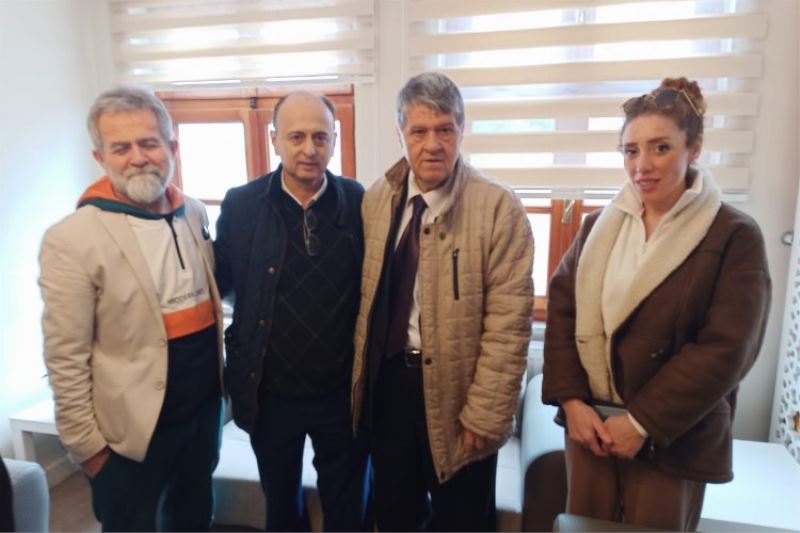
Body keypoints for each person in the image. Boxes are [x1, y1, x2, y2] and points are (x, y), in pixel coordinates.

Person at [541, 77, 771, 531]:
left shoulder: (734, 236)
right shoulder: (596, 229)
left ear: (694, 148)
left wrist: (641, 423)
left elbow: (728, 347)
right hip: (591, 430)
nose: (642, 165)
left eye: (660, 148)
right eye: (631, 151)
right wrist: (572, 402)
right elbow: (562, 314)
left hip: (672, 435)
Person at [351, 72, 534, 532]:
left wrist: (486, 415)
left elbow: (509, 325)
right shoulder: (376, 200)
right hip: (390, 392)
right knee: (394, 517)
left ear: (462, 131)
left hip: (461, 397)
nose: (432, 144)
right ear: (400, 135)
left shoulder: (499, 208)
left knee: (463, 522)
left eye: (445, 129)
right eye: (419, 131)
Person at [38, 86, 224, 531]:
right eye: (121, 148)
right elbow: (65, 356)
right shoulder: (72, 239)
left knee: (194, 520)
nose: (138, 158)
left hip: (201, 420)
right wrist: (88, 449)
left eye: (149, 143)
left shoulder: (194, 213)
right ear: (100, 157)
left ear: (171, 147)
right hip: (128, 439)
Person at [214, 91, 369, 531]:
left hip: (341, 394)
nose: (309, 149)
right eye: (296, 137)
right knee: (282, 509)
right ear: (275, 139)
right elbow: (222, 282)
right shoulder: (242, 204)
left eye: (321, 137)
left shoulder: (359, 202)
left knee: (348, 510)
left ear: (334, 140)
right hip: (269, 393)